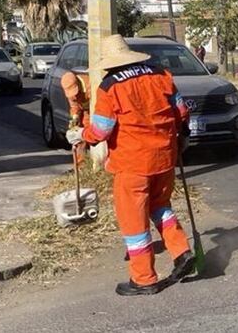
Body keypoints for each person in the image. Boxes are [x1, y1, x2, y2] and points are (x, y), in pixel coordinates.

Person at [67, 35, 195, 295]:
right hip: (164, 157)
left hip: (132, 163)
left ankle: (144, 278)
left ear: (109, 63)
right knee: (161, 207)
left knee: (133, 222)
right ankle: (181, 252)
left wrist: (81, 135)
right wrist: (183, 137)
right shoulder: (161, 75)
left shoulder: (110, 86)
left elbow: (101, 131)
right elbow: (182, 111)